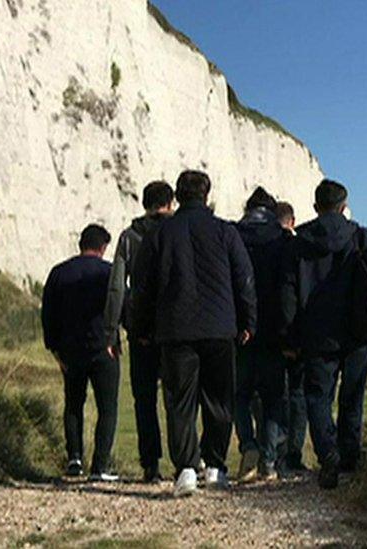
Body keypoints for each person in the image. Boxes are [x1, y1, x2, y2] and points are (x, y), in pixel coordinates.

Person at [132, 170, 257, 497]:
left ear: (176, 196)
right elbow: (244, 279)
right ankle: (215, 467)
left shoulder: (159, 234)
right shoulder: (225, 232)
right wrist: (248, 321)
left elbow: (142, 287)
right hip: (219, 327)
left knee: (179, 401)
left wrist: (141, 327)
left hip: (175, 330)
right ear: (207, 194)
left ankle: (186, 469)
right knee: (219, 398)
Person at [279, 180, 367, 489]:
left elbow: (288, 294)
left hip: (317, 332)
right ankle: (349, 456)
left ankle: (327, 454)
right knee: (352, 394)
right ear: (344, 207)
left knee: (318, 397)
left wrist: (290, 337)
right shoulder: (361, 236)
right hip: (360, 329)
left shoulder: (299, 241)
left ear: (316, 206)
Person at [102, 181, 175, 483]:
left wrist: (111, 331)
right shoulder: (176, 232)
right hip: (175, 328)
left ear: (144, 203)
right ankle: (188, 460)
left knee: (144, 399)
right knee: (178, 398)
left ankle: (151, 464)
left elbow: (117, 286)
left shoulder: (129, 237)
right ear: (171, 203)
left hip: (140, 330)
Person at [41, 224, 120, 482]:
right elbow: (121, 305)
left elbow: (48, 315)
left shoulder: (59, 273)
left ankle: (74, 458)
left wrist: (55, 350)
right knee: (107, 407)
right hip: (103, 348)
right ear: (103, 247)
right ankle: (100, 465)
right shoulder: (109, 273)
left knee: (74, 404)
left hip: (70, 351)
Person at [233, 188, 289, 482]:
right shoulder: (282, 239)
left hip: (239, 327)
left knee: (239, 394)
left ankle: (248, 444)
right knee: (272, 397)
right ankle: (268, 462)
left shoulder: (232, 234)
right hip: (273, 328)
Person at [273, 201, 309, 473]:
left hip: (265, 334)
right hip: (295, 332)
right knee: (296, 395)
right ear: (292, 221)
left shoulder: (263, 246)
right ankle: (292, 455)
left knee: (269, 396)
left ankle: (271, 454)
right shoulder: (298, 249)